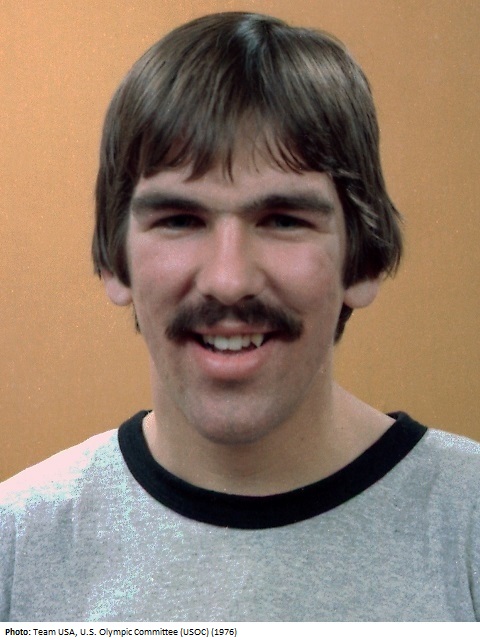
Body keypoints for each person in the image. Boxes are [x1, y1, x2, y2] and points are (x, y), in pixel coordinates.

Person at [1, 12, 479, 622]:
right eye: (180, 219)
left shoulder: (468, 527)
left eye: (282, 220)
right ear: (116, 264)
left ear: (362, 262)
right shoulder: (17, 550)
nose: (229, 280)